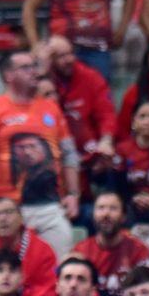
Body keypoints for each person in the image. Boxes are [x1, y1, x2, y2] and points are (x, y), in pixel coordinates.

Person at [0, 49, 80, 261]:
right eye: (26, 67)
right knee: (8, 272)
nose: (34, 72)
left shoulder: (51, 109)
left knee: (63, 265)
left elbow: (69, 154)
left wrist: (73, 194)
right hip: (7, 209)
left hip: (50, 207)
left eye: (34, 66)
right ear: (9, 75)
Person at [42, 36, 116, 198]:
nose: (69, 60)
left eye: (70, 54)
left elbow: (106, 114)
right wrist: (43, 71)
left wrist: (106, 141)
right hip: (52, 156)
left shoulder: (90, 77)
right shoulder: (41, 81)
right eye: (61, 56)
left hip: (89, 155)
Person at [71, 191, 149, 296]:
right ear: (93, 214)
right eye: (101, 208)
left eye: (113, 208)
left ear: (123, 216)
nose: (106, 214)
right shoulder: (80, 251)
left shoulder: (139, 250)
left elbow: (147, 294)